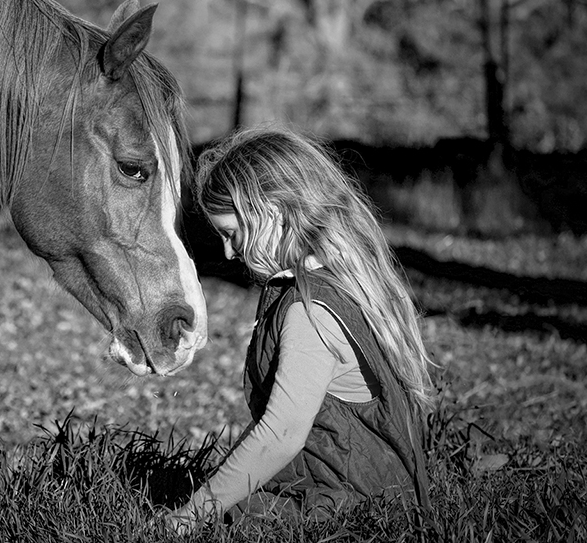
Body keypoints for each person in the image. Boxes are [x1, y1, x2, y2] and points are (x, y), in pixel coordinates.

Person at [165, 128, 433, 532]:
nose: (227, 252)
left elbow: (282, 434)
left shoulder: (309, 311)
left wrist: (187, 517)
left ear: (271, 212)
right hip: (361, 491)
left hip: (345, 507)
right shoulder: (339, 280)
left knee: (229, 518)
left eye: (231, 233)